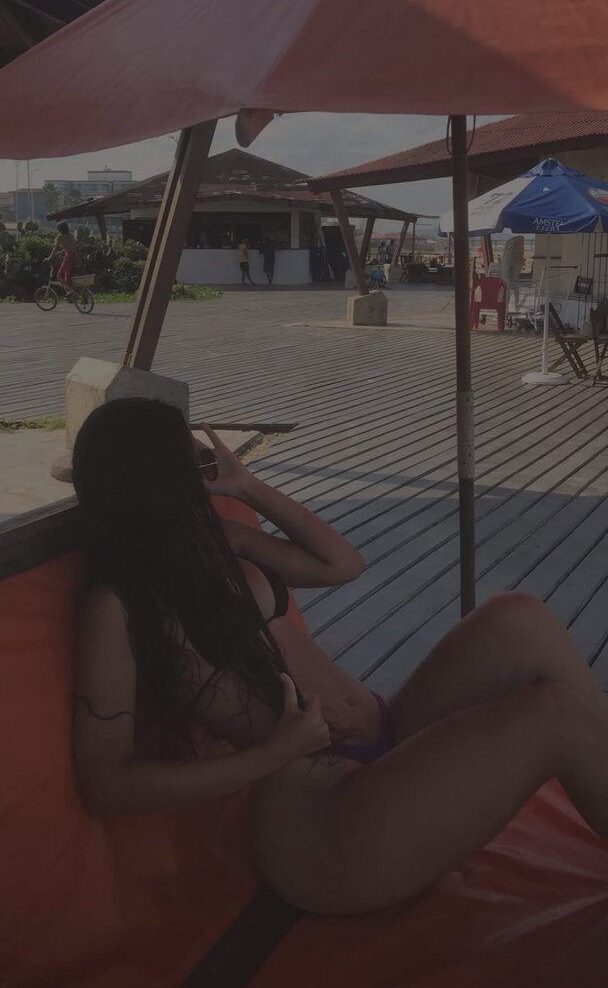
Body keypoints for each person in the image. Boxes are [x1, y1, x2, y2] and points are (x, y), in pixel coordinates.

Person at [72, 398, 608, 917]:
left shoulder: (215, 541)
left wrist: (247, 486)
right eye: (187, 459)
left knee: (518, 618)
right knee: (554, 715)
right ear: (156, 482)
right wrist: (274, 753)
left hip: (384, 733)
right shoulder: (118, 606)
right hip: (325, 819)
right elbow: (105, 784)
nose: (200, 467)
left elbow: (342, 564)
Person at [45, 222, 81, 287]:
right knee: (66, 275)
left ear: (60, 229)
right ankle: (70, 290)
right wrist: (62, 251)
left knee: (59, 276)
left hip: (68, 257)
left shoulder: (60, 237)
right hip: (76, 257)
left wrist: (49, 258)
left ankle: (69, 290)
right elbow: (71, 247)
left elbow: (55, 248)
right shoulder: (71, 235)